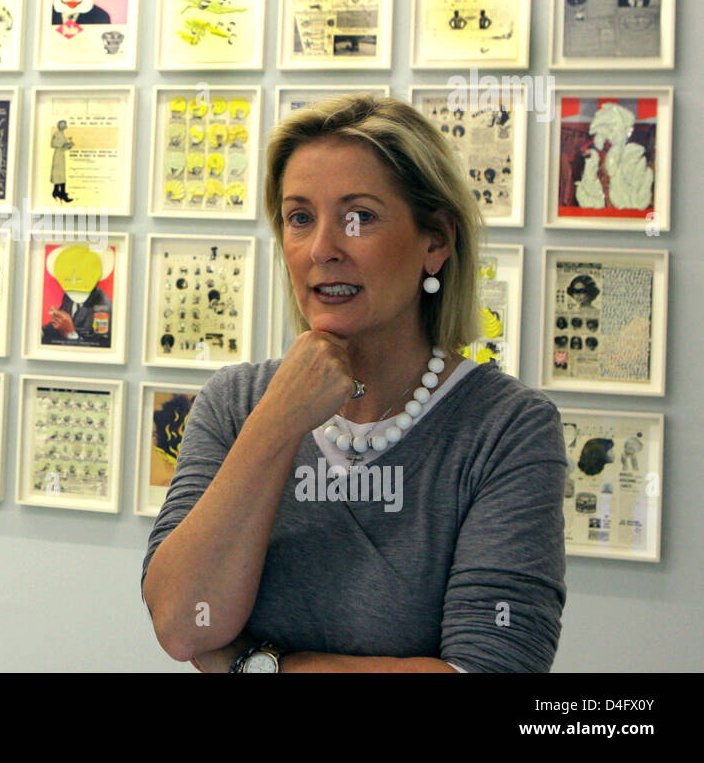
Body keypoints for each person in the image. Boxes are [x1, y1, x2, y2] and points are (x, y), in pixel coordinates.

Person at [142, 95, 565, 673]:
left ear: (435, 241)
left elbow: (493, 668)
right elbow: (183, 625)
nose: (322, 249)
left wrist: (261, 666)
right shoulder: (237, 403)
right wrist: (277, 422)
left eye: (359, 217)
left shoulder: (507, 428)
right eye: (299, 218)